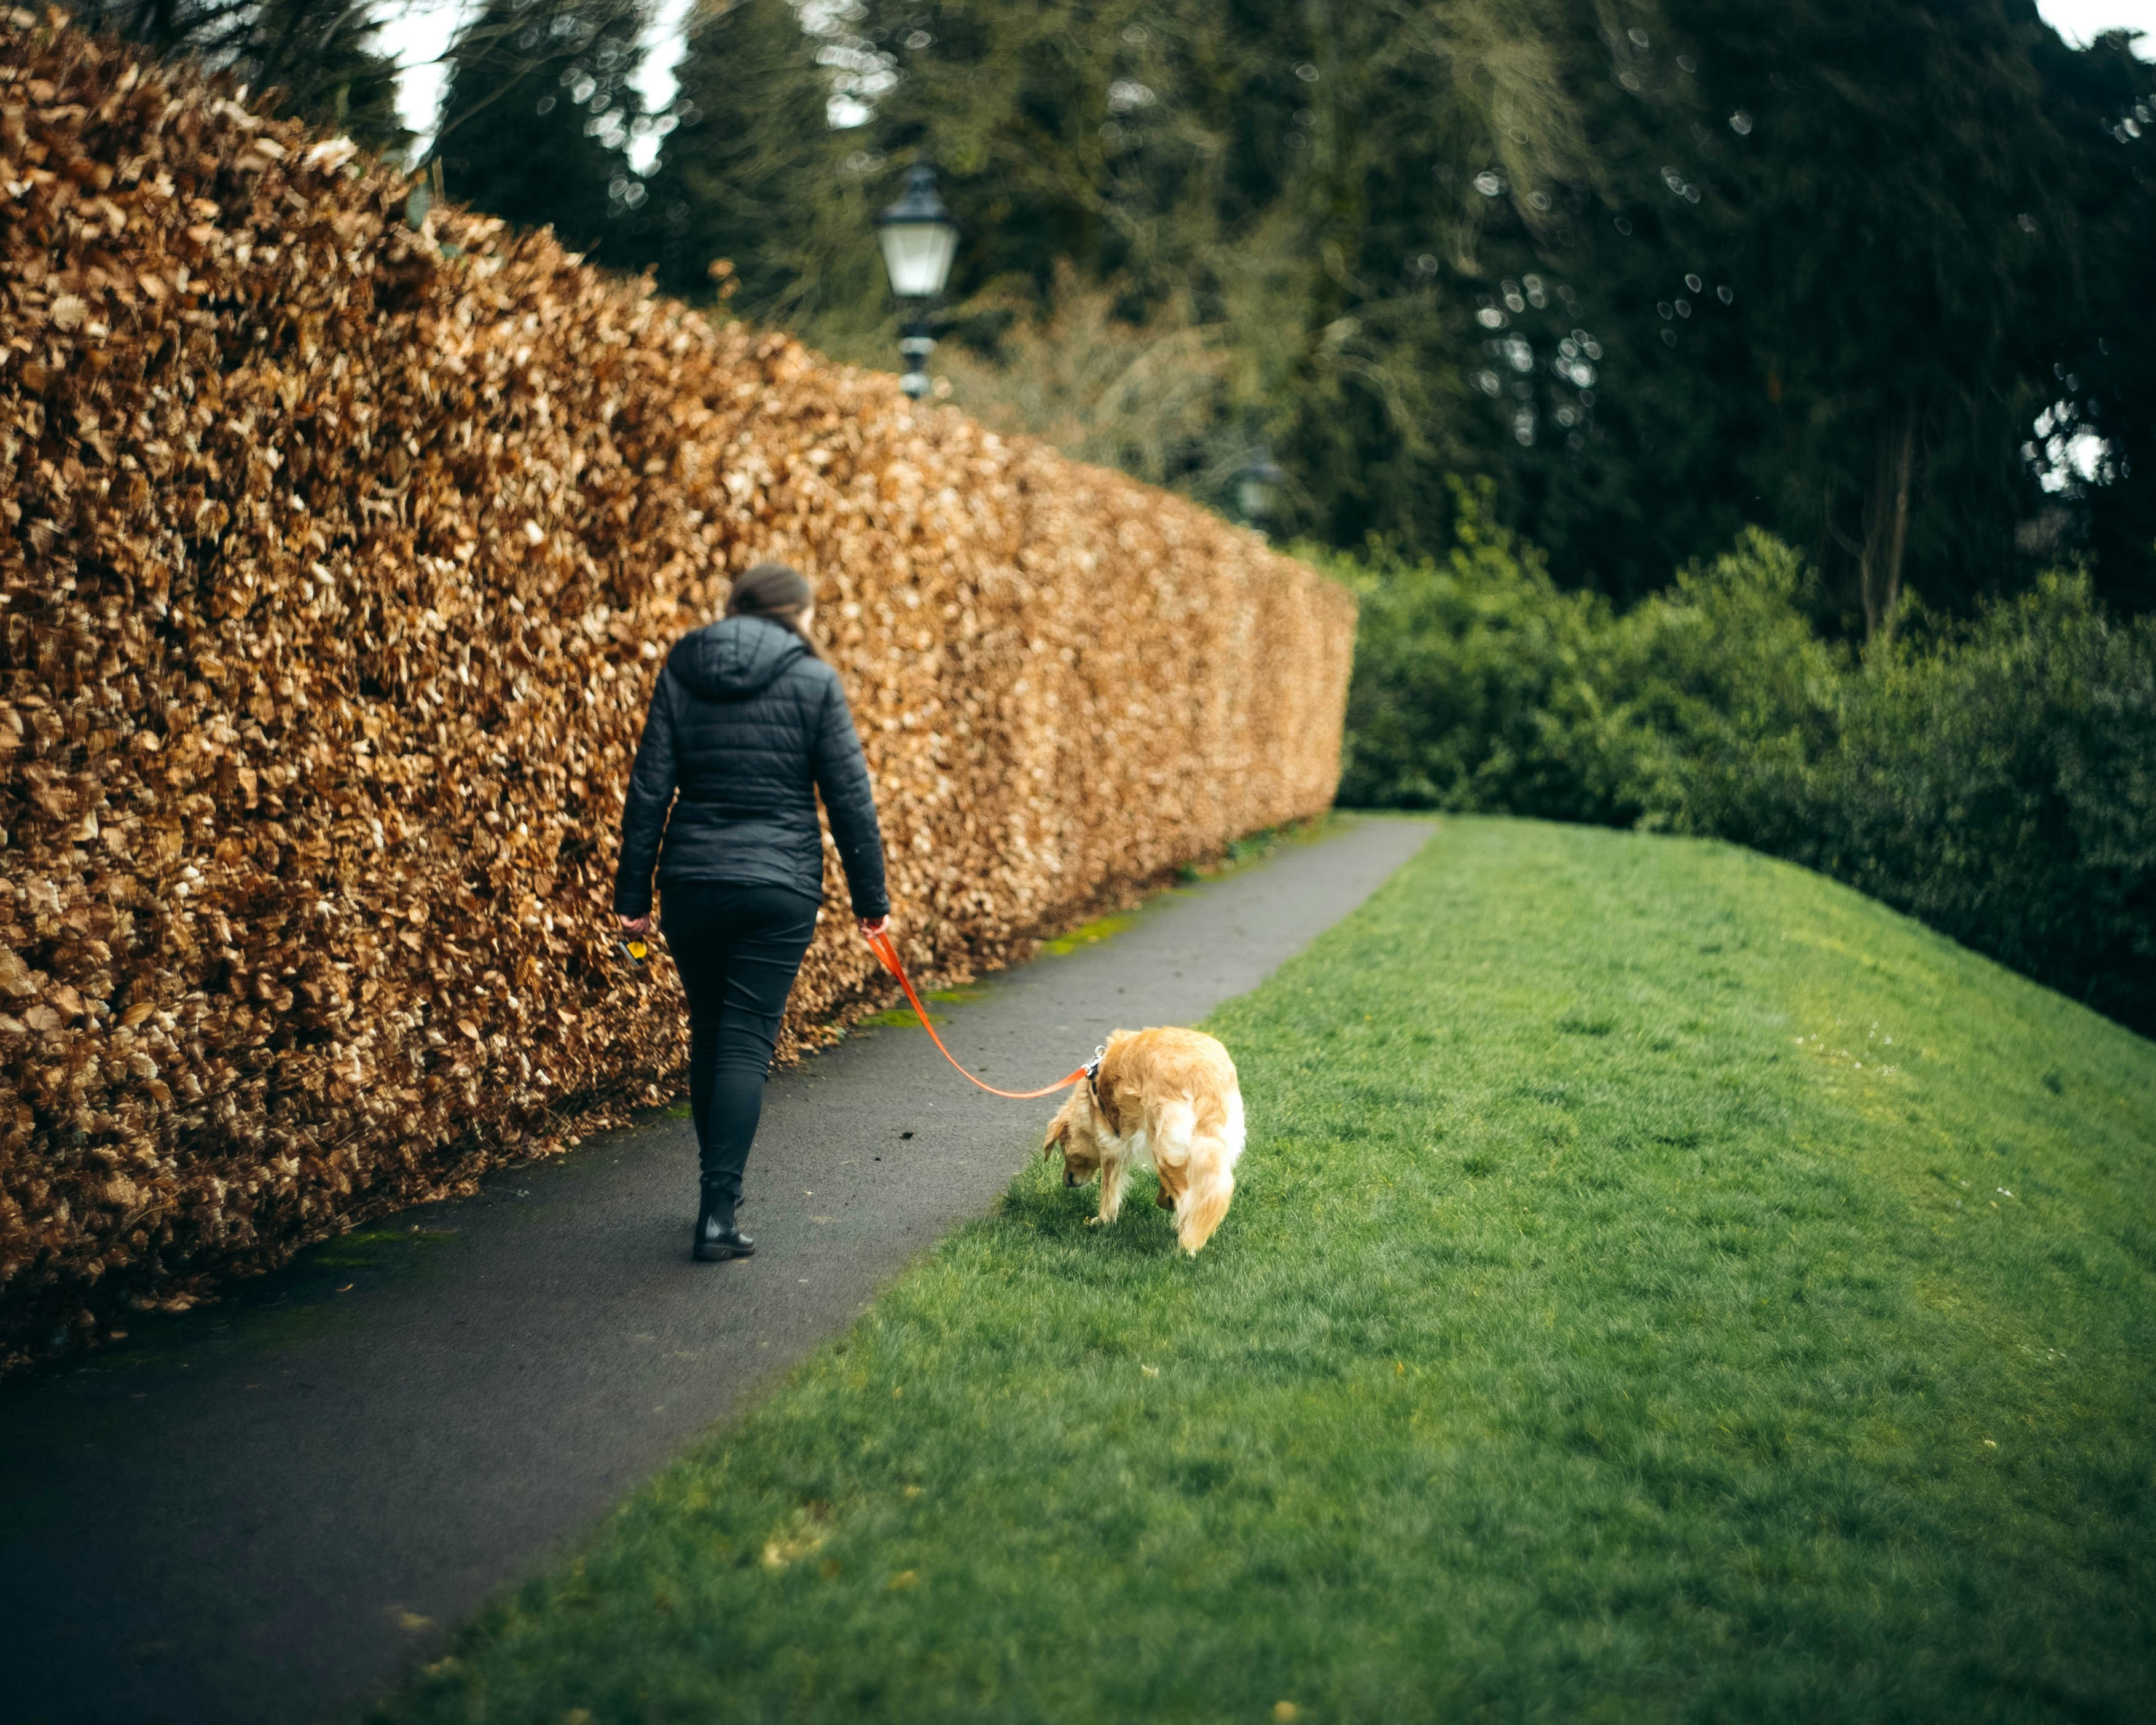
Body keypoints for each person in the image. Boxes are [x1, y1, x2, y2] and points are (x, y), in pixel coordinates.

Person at [614, 562, 890, 1261]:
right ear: (793, 614)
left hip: (691, 883)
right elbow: (849, 799)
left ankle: (716, 1204)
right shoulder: (812, 678)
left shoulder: (684, 665)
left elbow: (649, 787)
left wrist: (631, 900)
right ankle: (717, 1213)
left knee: (710, 1033)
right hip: (778, 886)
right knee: (743, 1041)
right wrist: (871, 905)